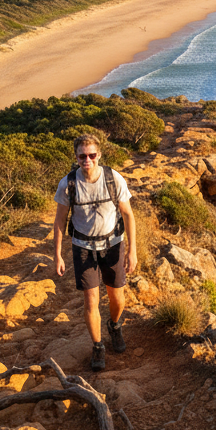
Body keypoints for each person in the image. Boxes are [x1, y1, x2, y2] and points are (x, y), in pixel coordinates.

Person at [53, 134, 138, 371]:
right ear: (76, 157)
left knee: (116, 297)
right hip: (83, 247)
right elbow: (59, 222)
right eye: (82, 156)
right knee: (91, 298)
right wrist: (57, 255)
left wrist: (133, 251)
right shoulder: (68, 184)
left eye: (91, 155)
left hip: (113, 245)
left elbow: (128, 215)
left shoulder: (113, 178)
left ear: (99, 155)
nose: (87, 160)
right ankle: (98, 345)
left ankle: (114, 325)